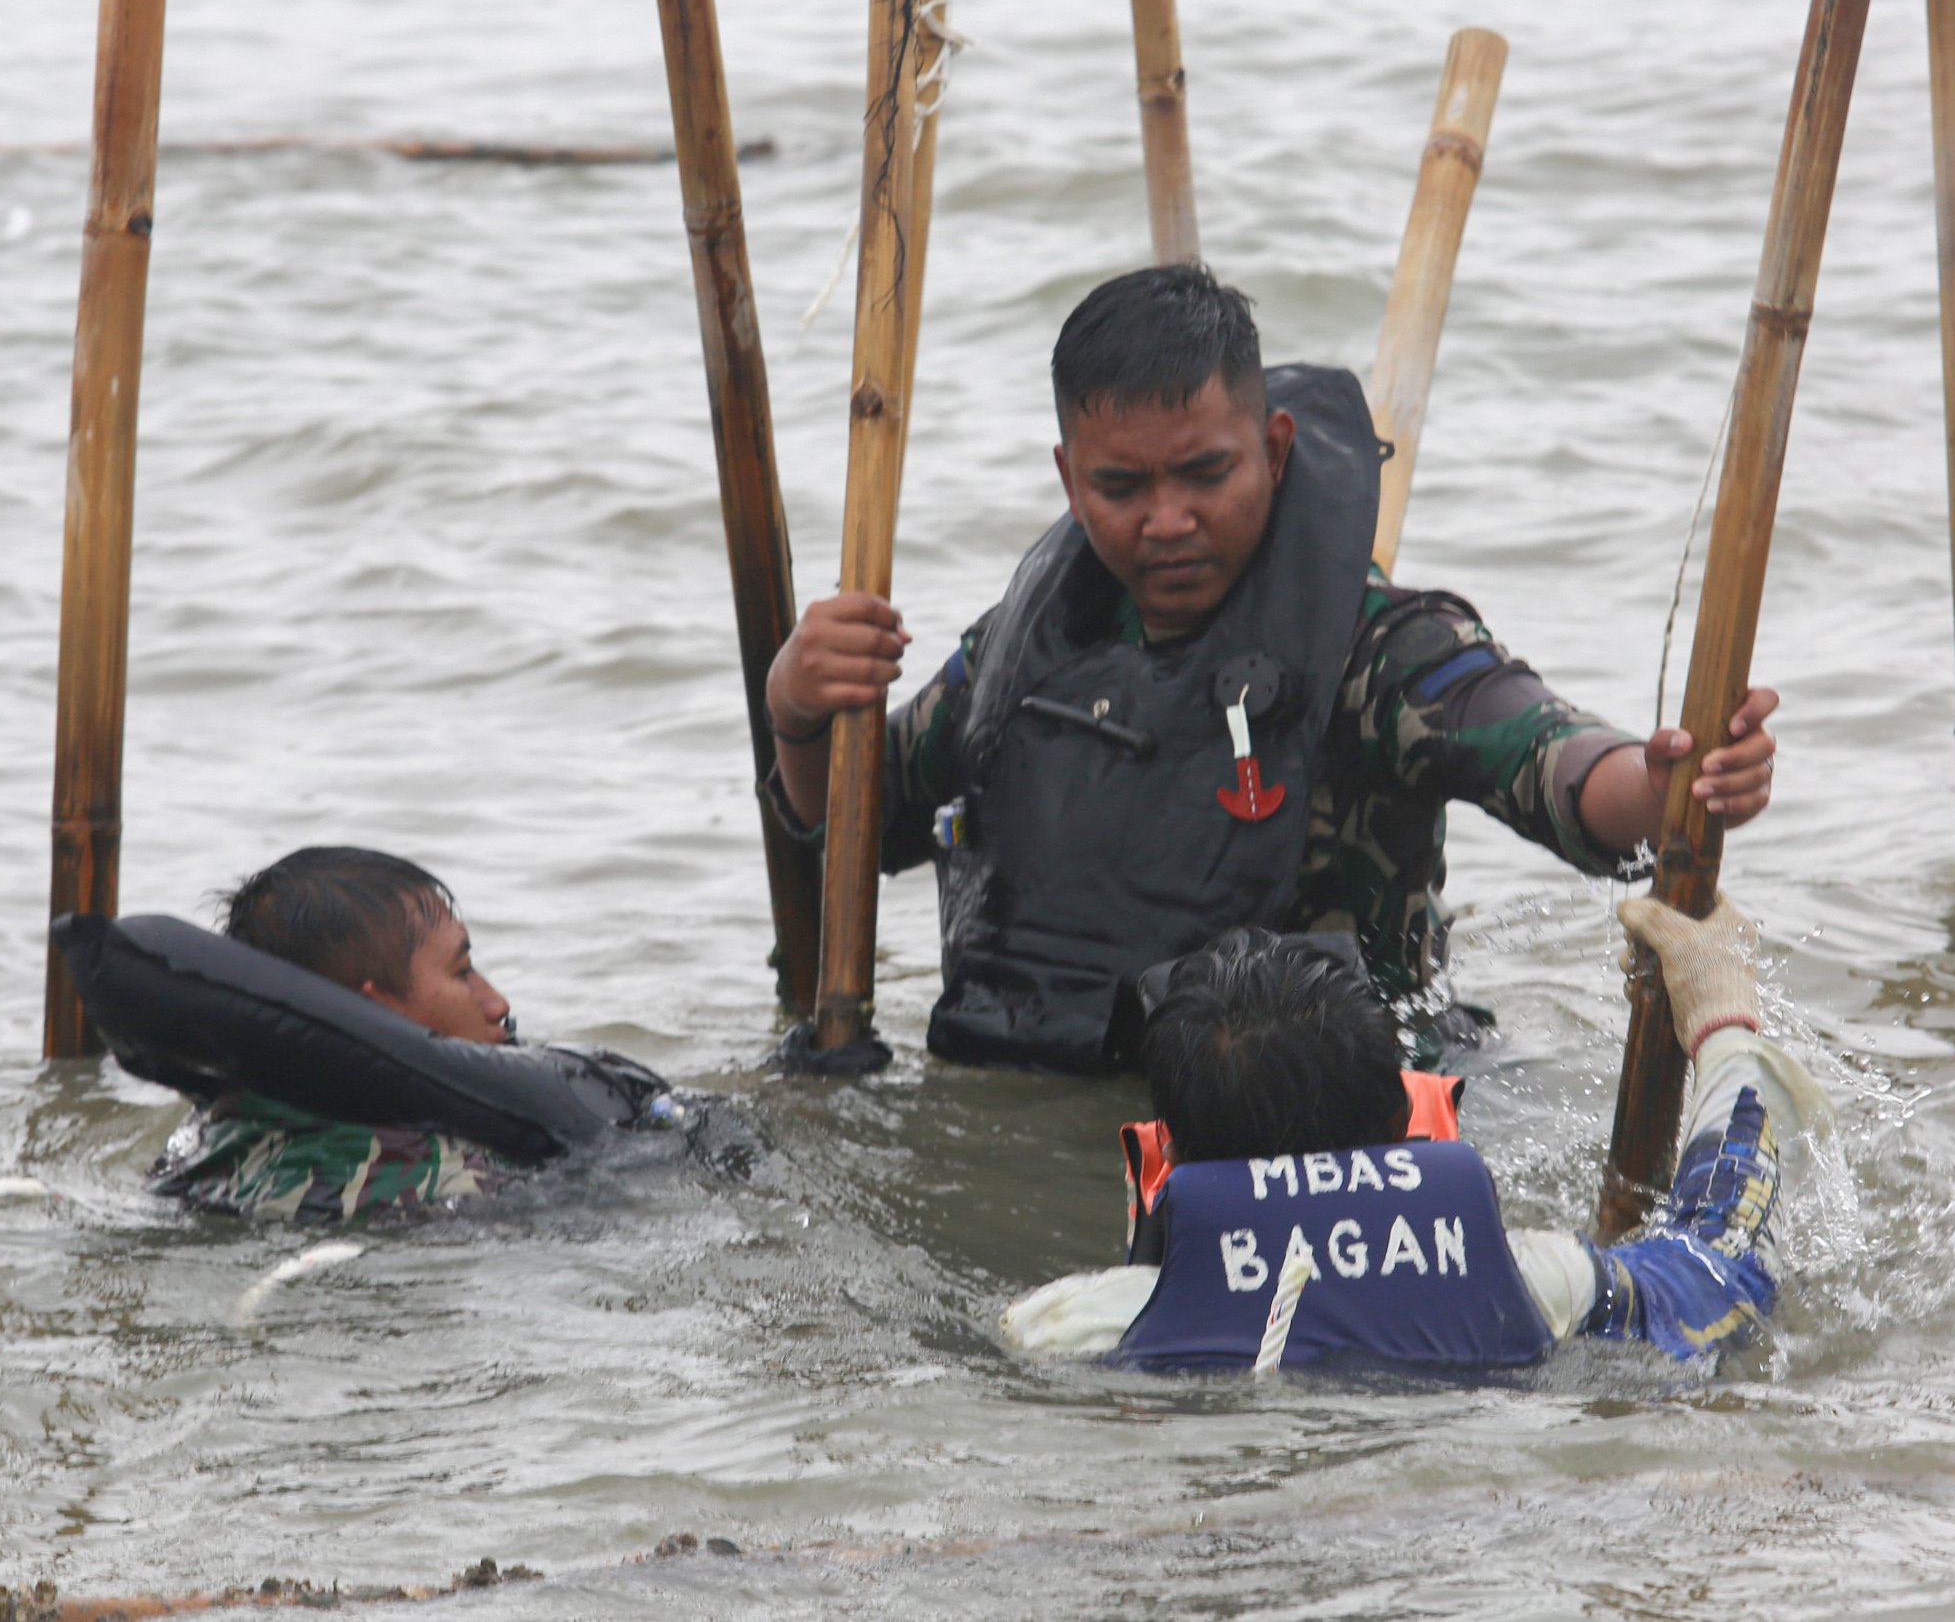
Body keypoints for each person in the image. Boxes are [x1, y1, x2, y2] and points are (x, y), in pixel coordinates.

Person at [763, 265, 1781, 1073]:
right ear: (1069, 478)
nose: (1168, 522)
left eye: (1207, 474)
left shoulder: (1372, 645)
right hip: (1059, 1076)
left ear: (1275, 450)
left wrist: (1663, 786)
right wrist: (799, 711)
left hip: (1331, 1108)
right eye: (1122, 487)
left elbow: (1546, 757)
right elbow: (859, 824)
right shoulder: (1025, 646)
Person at [999, 894, 1833, 1370]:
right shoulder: (1536, 1286)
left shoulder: (1065, 1330)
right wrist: (1720, 1011)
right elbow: (1725, 1264)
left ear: (1156, 1162)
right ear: (1422, 1119)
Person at [149, 846, 534, 1221]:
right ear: (370, 1013)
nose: (496, 1004)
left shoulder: (204, 1145)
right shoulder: (457, 1182)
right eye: (461, 971)